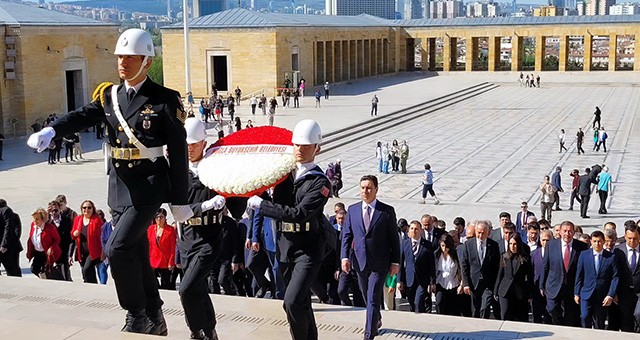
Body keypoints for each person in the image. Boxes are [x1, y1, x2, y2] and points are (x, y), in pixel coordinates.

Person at [27, 28, 191, 335]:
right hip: (119, 187)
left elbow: (179, 153)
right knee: (136, 250)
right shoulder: (110, 97)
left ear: (146, 60)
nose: (122, 63)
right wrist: (52, 130)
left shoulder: (165, 100)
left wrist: (179, 201)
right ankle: (155, 313)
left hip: (149, 186)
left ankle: (135, 313)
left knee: (117, 248)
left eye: (129, 57)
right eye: (119, 57)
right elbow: (82, 115)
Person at [246, 119, 330, 340]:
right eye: (297, 145)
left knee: (291, 301)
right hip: (285, 246)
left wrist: (261, 205)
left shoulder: (320, 183)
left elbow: (299, 214)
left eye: (306, 146)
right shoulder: (284, 174)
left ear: (317, 148)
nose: (300, 150)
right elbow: (263, 188)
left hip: (308, 249)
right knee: (300, 302)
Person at [178, 117, 232, 340]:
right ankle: (209, 330)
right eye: (187, 144)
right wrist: (206, 205)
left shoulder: (215, 168)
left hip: (209, 238)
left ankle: (195, 330)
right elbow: (178, 210)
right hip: (187, 236)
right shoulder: (180, 172)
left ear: (203, 143)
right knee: (197, 287)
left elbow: (235, 197)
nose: (190, 148)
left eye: (194, 143)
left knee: (186, 288)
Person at [341, 175, 400, 340]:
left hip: (380, 262)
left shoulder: (386, 211)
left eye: (369, 188)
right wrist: (344, 258)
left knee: (373, 296)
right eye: (362, 188)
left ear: (376, 190)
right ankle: (377, 319)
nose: (365, 191)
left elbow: (394, 239)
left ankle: (369, 334)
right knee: (367, 295)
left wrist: (396, 262)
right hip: (359, 261)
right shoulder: (352, 210)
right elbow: (346, 236)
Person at [540, 220, 588, 327]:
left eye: (570, 231)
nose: (567, 234)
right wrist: (542, 285)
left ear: (574, 233)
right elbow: (545, 266)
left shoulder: (581, 247)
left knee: (571, 316)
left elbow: (584, 270)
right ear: (560, 232)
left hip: (572, 287)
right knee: (552, 308)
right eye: (565, 231)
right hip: (554, 284)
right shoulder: (551, 245)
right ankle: (559, 323)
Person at [574, 230, 618, 329]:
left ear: (603, 242)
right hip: (586, 293)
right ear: (591, 241)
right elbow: (579, 275)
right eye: (594, 241)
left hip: (602, 295)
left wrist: (610, 294)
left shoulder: (611, 257)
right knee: (585, 317)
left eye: (599, 241)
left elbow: (615, 277)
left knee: (599, 323)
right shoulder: (584, 255)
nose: (597, 244)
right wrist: (576, 292)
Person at [460, 220, 500, 319]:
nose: (480, 235)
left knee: (485, 307)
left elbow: (497, 266)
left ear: (488, 233)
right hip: (474, 283)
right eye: (478, 232)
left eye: (483, 233)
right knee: (475, 309)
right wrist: (465, 284)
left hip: (488, 284)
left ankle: (484, 324)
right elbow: (464, 265)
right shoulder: (468, 245)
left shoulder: (494, 245)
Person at [494, 233, 534, 322]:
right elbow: (500, 275)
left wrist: (530, 293)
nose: (512, 246)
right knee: (505, 314)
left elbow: (530, 277)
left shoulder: (525, 259)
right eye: (510, 244)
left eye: (515, 244)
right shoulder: (504, 256)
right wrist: (496, 290)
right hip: (505, 290)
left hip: (519, 292)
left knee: (520, 317)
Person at [398, 220, 435, 313]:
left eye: (416, 229)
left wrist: (432, 282)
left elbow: (431, 265)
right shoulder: (404, 244)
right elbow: (401, 264)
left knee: (418, 302)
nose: (414, 231)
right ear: (408, 230)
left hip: (422, 280)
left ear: (421, 230)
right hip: (409, 279)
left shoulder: (427, 245)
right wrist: (399, 281)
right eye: (412, 229)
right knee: (411, 304)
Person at [613, 222, 640, 332]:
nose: (632, 241)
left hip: (639, 291)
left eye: (635, 238)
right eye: (629, 238)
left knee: (638, 314)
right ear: (625, 236)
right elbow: (613, 273)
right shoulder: (618, 251)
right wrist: (613, 292)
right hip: (623, 292)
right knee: (626, 322)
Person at [69, 200, 103, 284]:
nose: (86, 210)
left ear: (93, 209)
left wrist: (103, 252)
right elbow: (72, 235)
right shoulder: (78, 219)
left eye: (89, 207)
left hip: (93, 252)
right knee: (87, 273)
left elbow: (103, 237)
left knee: (86, 269)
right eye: (84, 208)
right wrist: (74, 233)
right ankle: (92, 287)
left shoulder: (97, 220)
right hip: (81, 251)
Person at [26, 208, 62, 278]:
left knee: (45, 270)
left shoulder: (50, 228)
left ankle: (47, 279)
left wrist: (51, 248)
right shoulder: (33, 225)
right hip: (37, 252)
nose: (35, 221)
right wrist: (29, 252)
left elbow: (57, 239)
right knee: (34, 269)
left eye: (37, 219)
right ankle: (44, 278)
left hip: (46, 253)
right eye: (34, 219)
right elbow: (31, 238)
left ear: (43, 219)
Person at [147, 208, 177, 290]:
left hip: (165, 260)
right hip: (153, 259)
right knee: (152, 281)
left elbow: (173, 246)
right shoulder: (151, 229)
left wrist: (171, 261)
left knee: (165, 283)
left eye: (161, 217)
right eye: (157, 217)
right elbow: (149, 245)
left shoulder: (170, 230)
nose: (159, 219)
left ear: (165, 218)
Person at [434, 233, 462, 316]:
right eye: (442, 246)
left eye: (446, 246)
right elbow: (433, 270)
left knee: (452, 307)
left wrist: (461, 284)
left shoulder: (456, 255)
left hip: (453, 283)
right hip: (440, 283)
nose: (444, 249)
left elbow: (461, 270)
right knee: (439, 302)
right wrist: (432, 283)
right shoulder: (437, 254)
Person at [47, 200, 73, 281]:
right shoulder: (47, 223)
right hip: (51, 253)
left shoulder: (67, 221)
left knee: (65, 275)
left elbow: (71, 240)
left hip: (63, 253)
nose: (53, 213)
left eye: (55, 210)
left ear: (60, 209)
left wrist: (70, 255)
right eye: (51, 211)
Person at [531, 229, 552, 324]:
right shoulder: (534, 254)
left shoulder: (555, 254)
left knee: (549, 312)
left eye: (548, 240)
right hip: (536, 287)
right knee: (536, 312)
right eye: (543, 240)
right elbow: (531, 271)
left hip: (550, 288)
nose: (545, 242)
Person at [0, 199, 22, 276]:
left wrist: (5, 244)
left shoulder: (6, 211)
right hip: (7, 246)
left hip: (8, 248)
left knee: (13, 271)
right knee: (13, 271)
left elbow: (9, 228)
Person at [99, 210, 114, 285]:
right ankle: (103, 284)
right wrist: (104, 252)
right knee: (102, 268)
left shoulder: (120, 226)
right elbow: (103, 240)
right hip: (107, 252)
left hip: (117, 253)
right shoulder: (106, 226)